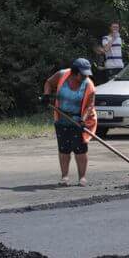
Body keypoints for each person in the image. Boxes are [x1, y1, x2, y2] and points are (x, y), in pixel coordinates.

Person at [43, 58, 97, 186]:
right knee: (64, 149)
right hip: (61, 118)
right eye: (83, 74)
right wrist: (46, 95)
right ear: (74, 72)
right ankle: (64, 177)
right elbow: (48, 83)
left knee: (80, 149)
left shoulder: (89, 85)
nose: (85, 77)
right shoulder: (62, 75)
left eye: (87, 74)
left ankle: (82, 178)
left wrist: (83, 120)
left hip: (79, 120)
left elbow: (90, 106)